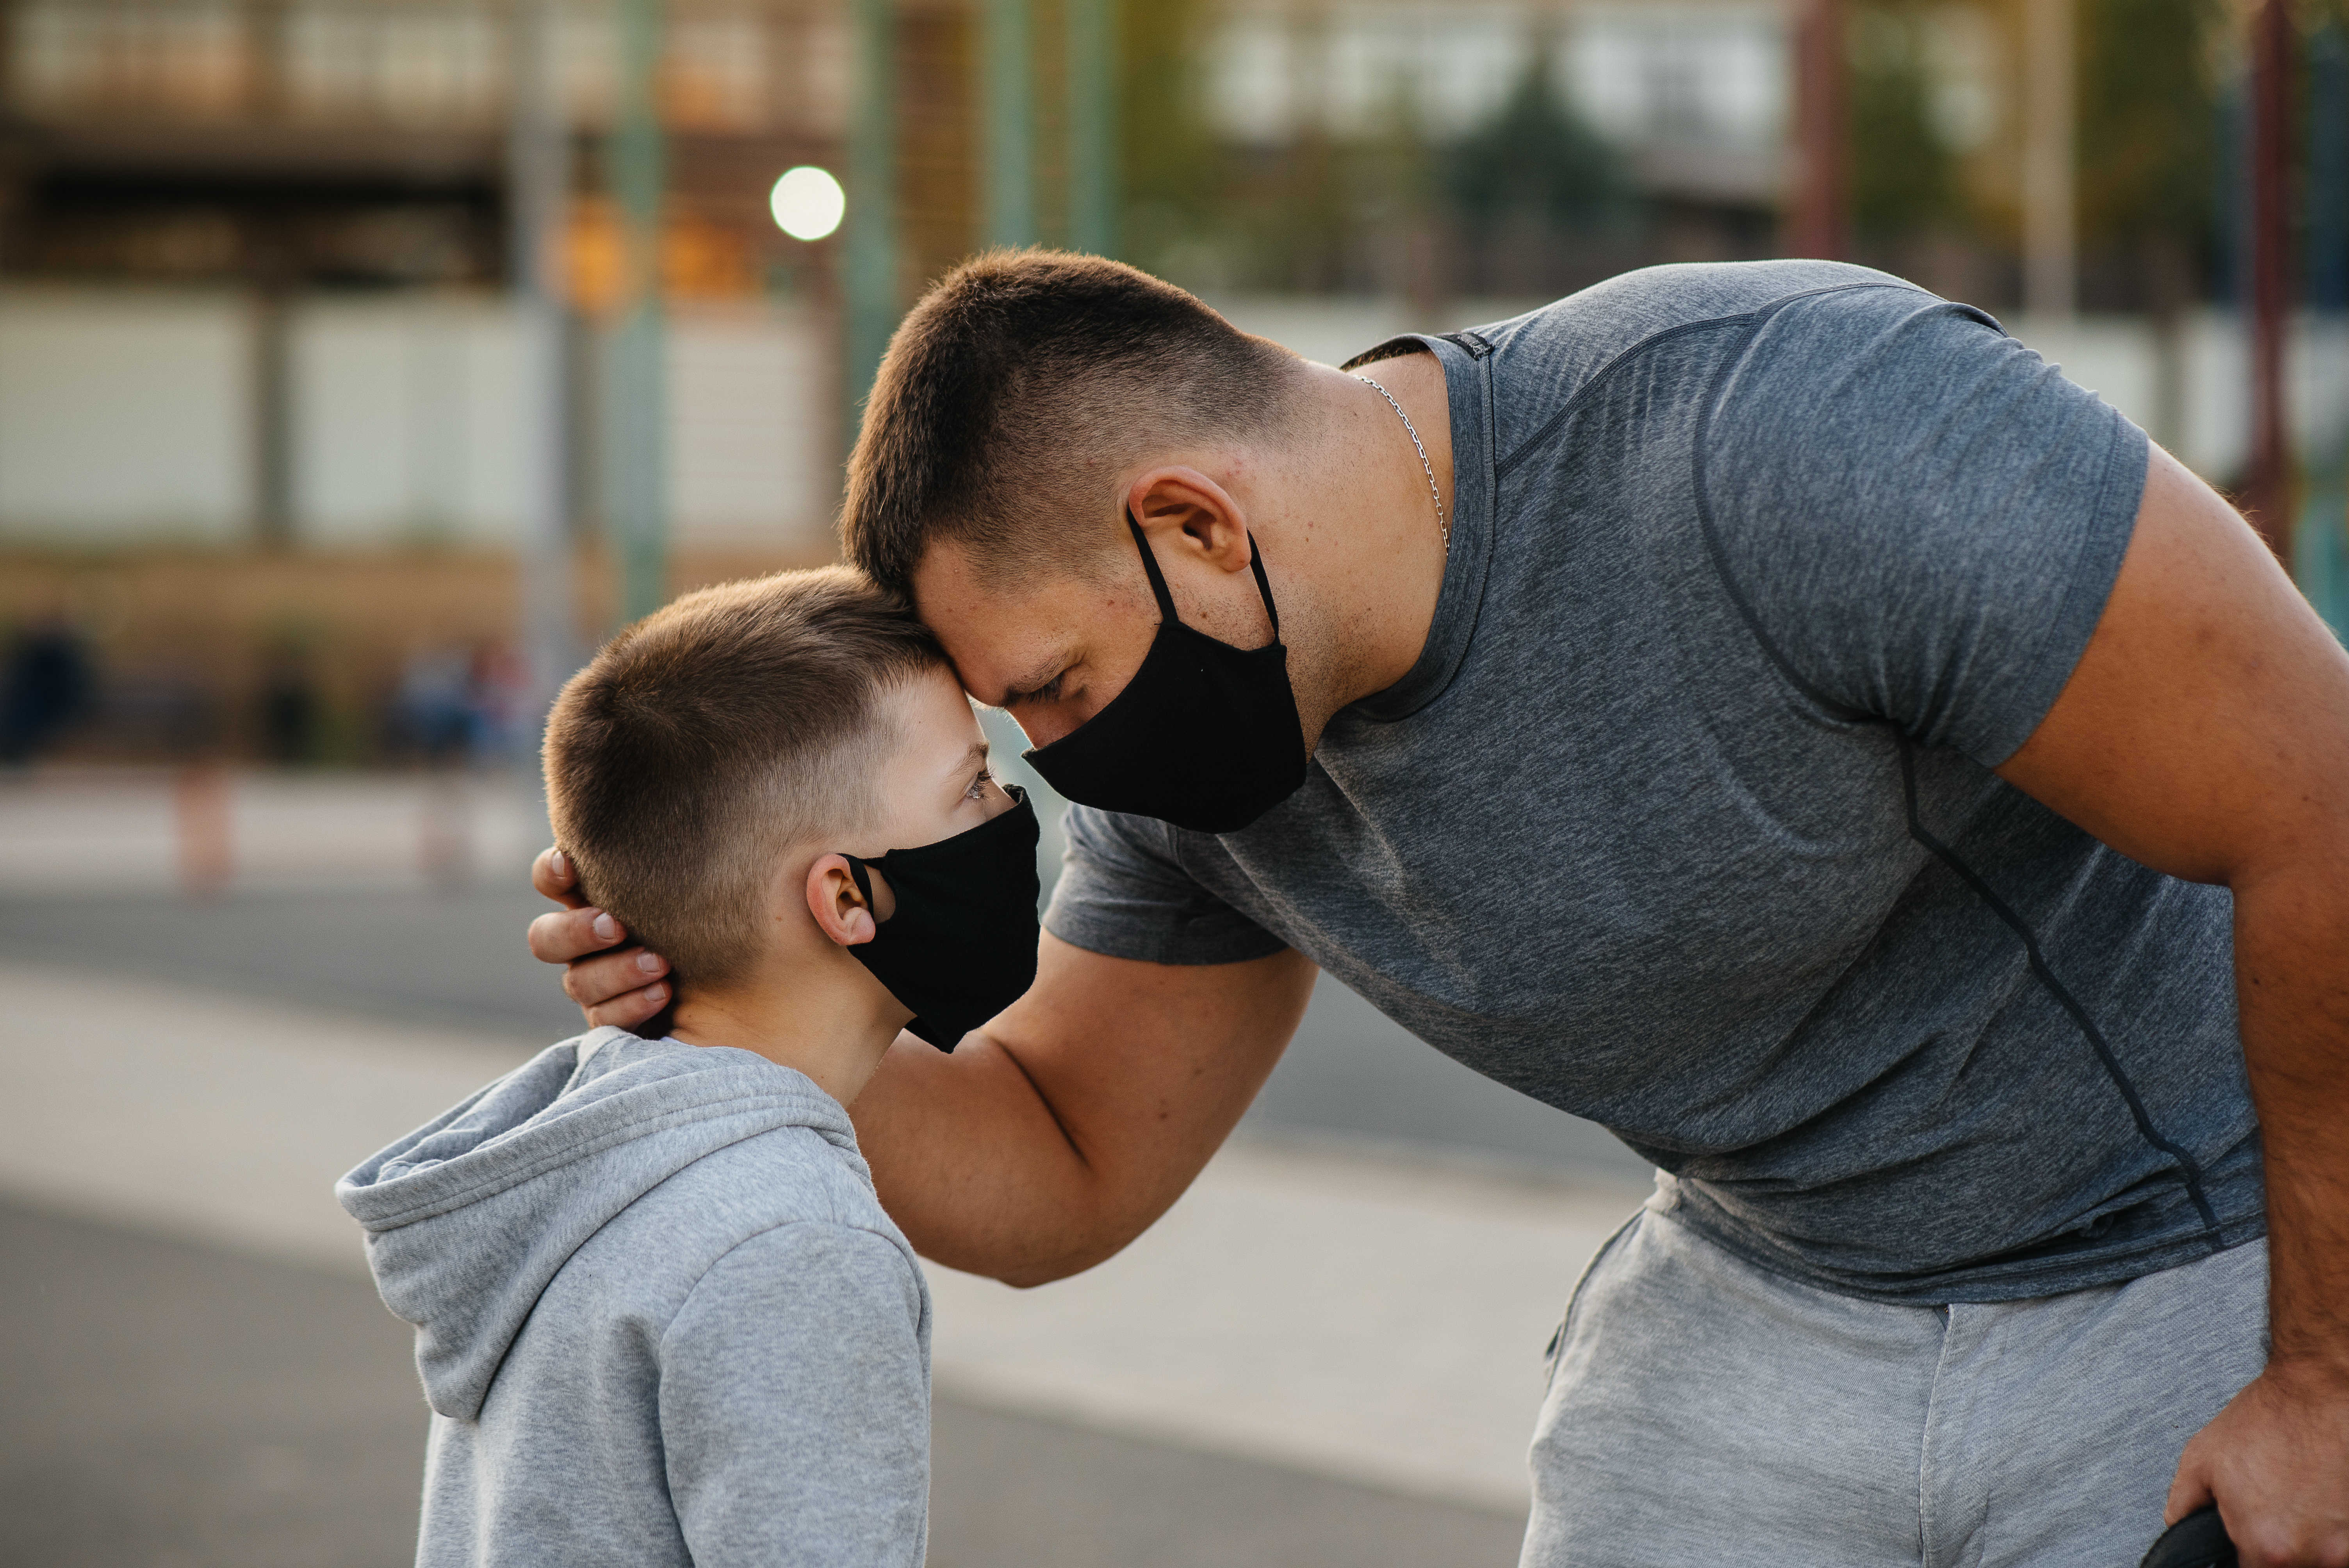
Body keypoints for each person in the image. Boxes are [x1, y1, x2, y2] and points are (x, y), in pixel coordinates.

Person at [533, 254, 2349, 1567]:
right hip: (1769, 1282)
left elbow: (2318, 803)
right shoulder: (1207, 770)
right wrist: (744, 996)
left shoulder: (1785, 430)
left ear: (1197, 523)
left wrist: (2325, 1372)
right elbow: (1057, 1159)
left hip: (2181, 1245)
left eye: (1061, 692)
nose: (1066, 765)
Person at [346, 567, 1040, 1567]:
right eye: (971, 783)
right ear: (847, 897)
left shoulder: (585, 1172)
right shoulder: (795, 1243)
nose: (1004, 809)